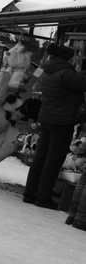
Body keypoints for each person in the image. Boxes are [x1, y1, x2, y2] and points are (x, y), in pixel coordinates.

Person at [23, 43, 86, 208]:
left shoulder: (49, 70)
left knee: (41, 156)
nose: (75, 59)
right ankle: (43, 197)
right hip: (62, 121)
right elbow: (83, 82)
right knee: (54, 159)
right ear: (67, 58)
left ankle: (30, 193)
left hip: (47, 119)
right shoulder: (66, 73)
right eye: (73, 56)